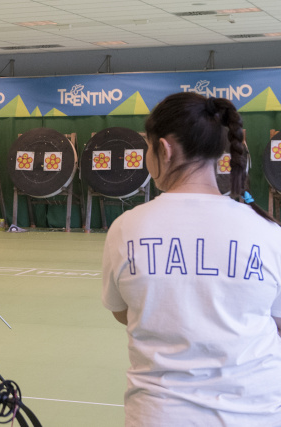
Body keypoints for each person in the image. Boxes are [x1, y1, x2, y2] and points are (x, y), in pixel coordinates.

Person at [102, 92, 281, 425]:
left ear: (164, 149)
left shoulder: (126, 228)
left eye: (147, 146)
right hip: (256, 412)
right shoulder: (267, 231)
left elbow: (124, 313)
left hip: (160, 415)